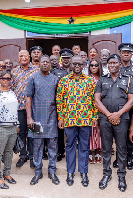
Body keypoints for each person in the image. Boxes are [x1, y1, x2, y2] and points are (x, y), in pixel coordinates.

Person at [95, 54, 133, 192]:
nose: (112, 65)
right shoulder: (102, 79)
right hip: (105, 118)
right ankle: (106, 174)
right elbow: (97, 100)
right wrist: (109, 115)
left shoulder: (128, 80)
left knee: (121, 148)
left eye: (114, 63)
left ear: (119, 64)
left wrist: (118, 114)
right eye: (110, 63)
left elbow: (131, 100)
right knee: (106, 147)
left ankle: (122, 176)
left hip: (122, 118)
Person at [56, 55, 98, 187]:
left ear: (84, 65)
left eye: (80, 64)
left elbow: (94, 101)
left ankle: (84, 172)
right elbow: (59, 101)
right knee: (70, 146)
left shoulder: (90, 81)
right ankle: (70, 172)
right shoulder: (64, 81)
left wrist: (94, 117)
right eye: (75, 64)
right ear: (70, 65)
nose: (77, 66)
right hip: (69, 119)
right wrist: (61, 118)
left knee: (84, 146)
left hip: (86, 120)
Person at [25, 55, 60, 185]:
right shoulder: (33, 78)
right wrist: (29, 117)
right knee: (37, 146)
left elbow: (59, 100)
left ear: (51, 64)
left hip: (52, 117)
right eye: (43, 62)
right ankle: (38, 171)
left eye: (47, 62)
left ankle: (52, 171)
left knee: (52, 145)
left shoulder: (55, 79)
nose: (45, 63)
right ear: (38, 63)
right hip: (37, 117)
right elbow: (28, 98)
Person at [113, 43, 133, 170]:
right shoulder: (116, 68)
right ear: (120, 54)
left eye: (128, 52)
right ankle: (119, 157)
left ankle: (129, 157)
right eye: (123, 52)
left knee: (130, 132)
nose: (126, 54)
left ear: (131, 54)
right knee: (118, 132)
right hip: (119, 105)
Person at [11, 50, 39, 168]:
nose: (23, 58)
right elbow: (11, 88)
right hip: (19, 107)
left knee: (33, 132)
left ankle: (33, 156)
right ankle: (23, 155)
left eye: (25, 56)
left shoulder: (36, 71)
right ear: (18, 58)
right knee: (21, 132)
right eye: (21, 56)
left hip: (34, 107)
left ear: (29, 57)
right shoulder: (14, 71)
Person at [88, 59, 103, 164]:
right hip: (89, 108)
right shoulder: (86, 79)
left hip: (101, 107)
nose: (93, 67)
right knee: (90, 130)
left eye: (96, 65)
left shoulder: (103, 79)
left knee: (100, 130)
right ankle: (89, 151)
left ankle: (98, 151)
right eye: (91, 65)